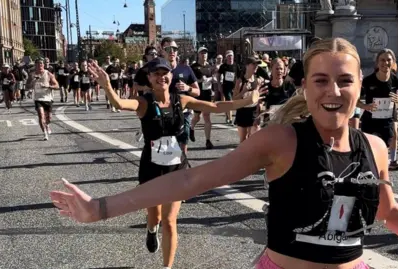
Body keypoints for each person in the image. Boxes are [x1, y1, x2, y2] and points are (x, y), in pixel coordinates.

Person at [50, 38, 398, 269]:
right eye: (321, 80)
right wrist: (99, 208)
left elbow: (389, 211)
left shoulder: (374, 147)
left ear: (361, 86)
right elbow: (190, 179)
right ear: (306, 88)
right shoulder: (281, 140)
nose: (333, 92)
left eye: (344, 81)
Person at [56, 58, 261, 269]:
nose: (161, 77)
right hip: (151, 169)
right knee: (154, 216)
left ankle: (167, 267)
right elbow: (120, 104)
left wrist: (248, 100)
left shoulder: (181, 100)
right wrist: (107, 85)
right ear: (150, 78)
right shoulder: (144, 103)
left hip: (176, 168)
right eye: (156, 74)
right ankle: (151, 230)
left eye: (165, 73)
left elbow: (216, 106)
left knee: (170, 220)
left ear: (171, 76)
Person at [358, 49, 398, 171]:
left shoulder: (396, 81)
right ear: (377, 63)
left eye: (389, 60)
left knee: (384, 147)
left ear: (393, 62)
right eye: (382, 60)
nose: (386, 63)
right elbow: (355, 100)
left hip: (387, 119)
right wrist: (366, 106)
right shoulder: (368, 81)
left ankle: (390, 164)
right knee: (368, 147)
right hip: (370, 120)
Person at [26, 58, 59, 140]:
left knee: (49, 118)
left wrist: (48, 86)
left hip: (48, 98)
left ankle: (47, 125)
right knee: (41, 115)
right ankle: (45, 133)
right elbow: (27, 86)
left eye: (41, 64)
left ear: (43, 65)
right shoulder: (31, 75)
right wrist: (32, 83)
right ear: (35, 65)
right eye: (37, 64)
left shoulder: (48, 74)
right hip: (38, 98)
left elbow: (57, 86)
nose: (39, 65)